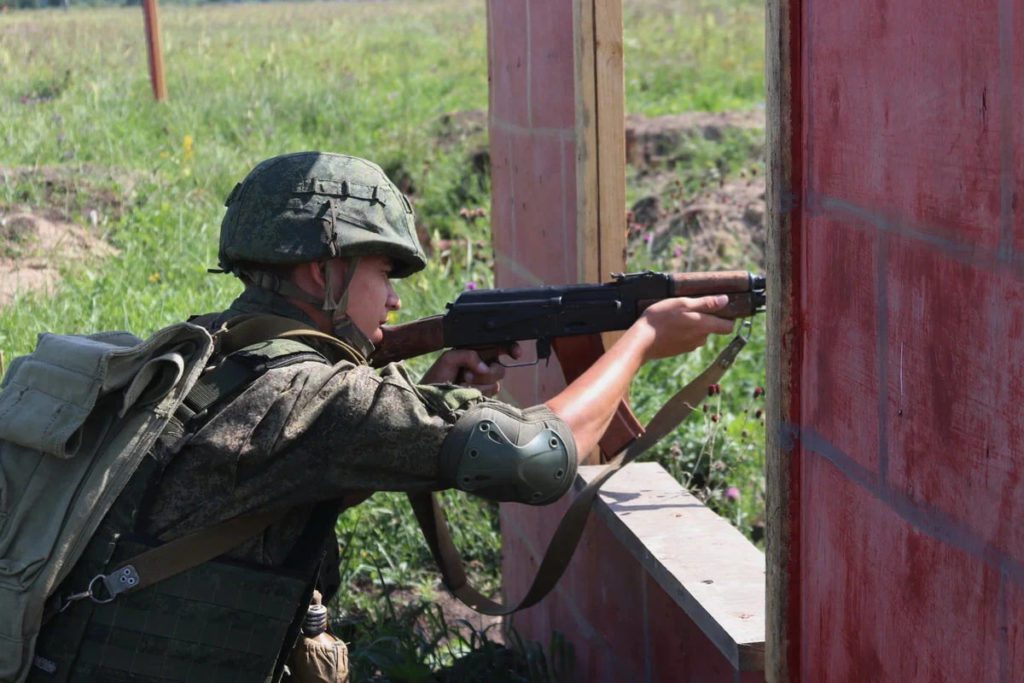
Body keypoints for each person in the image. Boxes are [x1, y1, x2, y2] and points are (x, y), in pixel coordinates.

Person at [31, 151, 734, 682]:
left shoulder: (213, 349)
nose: (395, 301)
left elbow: (275, 475)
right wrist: (643, 339)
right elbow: (535, 457)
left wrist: (421, 399)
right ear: (322, 272)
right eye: (384, 273)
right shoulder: (314, 393)